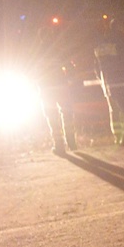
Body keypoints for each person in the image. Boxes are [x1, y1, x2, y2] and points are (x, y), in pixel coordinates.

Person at [92, 18, 124, 145]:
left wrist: (102, 80)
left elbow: (96, 65)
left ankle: (117, 136)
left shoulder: (102, 44)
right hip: (123, 81)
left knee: (114, 110)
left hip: (109, 83)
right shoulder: (122, 41)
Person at [36, 25, 78, 154]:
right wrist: (70, 79)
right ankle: (72, 143)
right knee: (67, 113)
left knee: (52, 116)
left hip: (46, 88)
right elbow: (70, 66)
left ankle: (59, 145)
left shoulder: (37, 53)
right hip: (61, 86)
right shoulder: (58, 50)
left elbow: (31, 71)